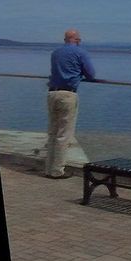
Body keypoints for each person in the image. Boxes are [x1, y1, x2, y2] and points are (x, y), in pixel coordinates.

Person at [46, 28, 99, 178]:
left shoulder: (55, 53)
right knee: (64, 134)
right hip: (68, 94)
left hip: (52, 93)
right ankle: (57, 171)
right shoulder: (80, 52)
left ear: (65, 40)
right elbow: (91, 74)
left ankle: (48, 168)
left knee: (52, 132)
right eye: (79, 40)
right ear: (77, 40)